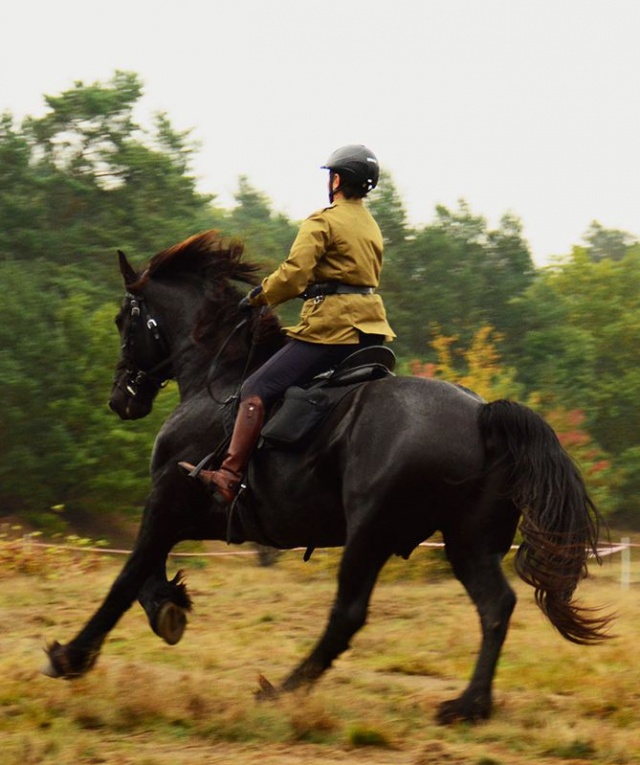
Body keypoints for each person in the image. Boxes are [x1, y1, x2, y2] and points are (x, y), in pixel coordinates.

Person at [180, 144, 395, 503]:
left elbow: (294, 275)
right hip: (371, 331)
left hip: (332, 330)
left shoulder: (323, 220)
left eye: (331, 175)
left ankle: (229, 475)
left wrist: (258, 297)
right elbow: (349, 276)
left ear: (337, 179)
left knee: (256, 387)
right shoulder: (371, 227)